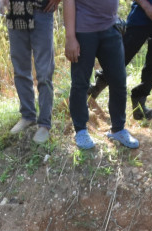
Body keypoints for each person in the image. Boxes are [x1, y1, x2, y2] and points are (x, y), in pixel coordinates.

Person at [88, 0, 152, 121]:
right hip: (140, 18)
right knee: (119, 60)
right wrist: (146, 6)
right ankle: (90, 94)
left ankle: (139, 106)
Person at [64, 0, 141, 150]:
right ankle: (80, 130)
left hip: (110, 27)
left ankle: (118, 129)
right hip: (83, 30)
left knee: (119, 80)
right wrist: (70, 37)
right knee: (80, 83)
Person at [2, 0, 62, 145]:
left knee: (44, 71)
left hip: (42, 9)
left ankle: (44, 124)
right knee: (20, 69)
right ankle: (27, 115)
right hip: (15, 11)